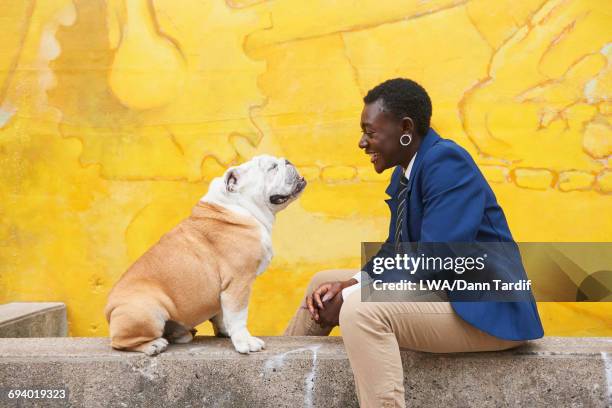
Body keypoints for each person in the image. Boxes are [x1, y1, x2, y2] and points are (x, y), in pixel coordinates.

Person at [284, 78, 544, 408]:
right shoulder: (408, 170)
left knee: (360, 312)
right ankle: (275, 385)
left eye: (370, 131)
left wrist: (352, 294)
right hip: (449, 294)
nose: (362, 142)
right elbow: (397, 251)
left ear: (405, 128)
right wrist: (350, 283)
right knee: (322, 285)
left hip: (488, 310)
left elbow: (436, 260)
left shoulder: (447, 163)